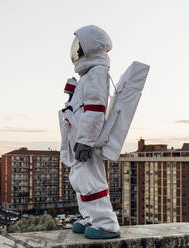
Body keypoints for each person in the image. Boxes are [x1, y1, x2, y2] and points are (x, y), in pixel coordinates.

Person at [60, 25, 120, 239]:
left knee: (91, 180)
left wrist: (86, 140)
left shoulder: (97, 72)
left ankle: (105, 224)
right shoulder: (88, 77)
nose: (76, 51)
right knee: (80, 180)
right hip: (79, 139)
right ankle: (90, 218)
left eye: (79, 47)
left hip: (87, 141)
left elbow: (95, 109)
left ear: (89, 47)